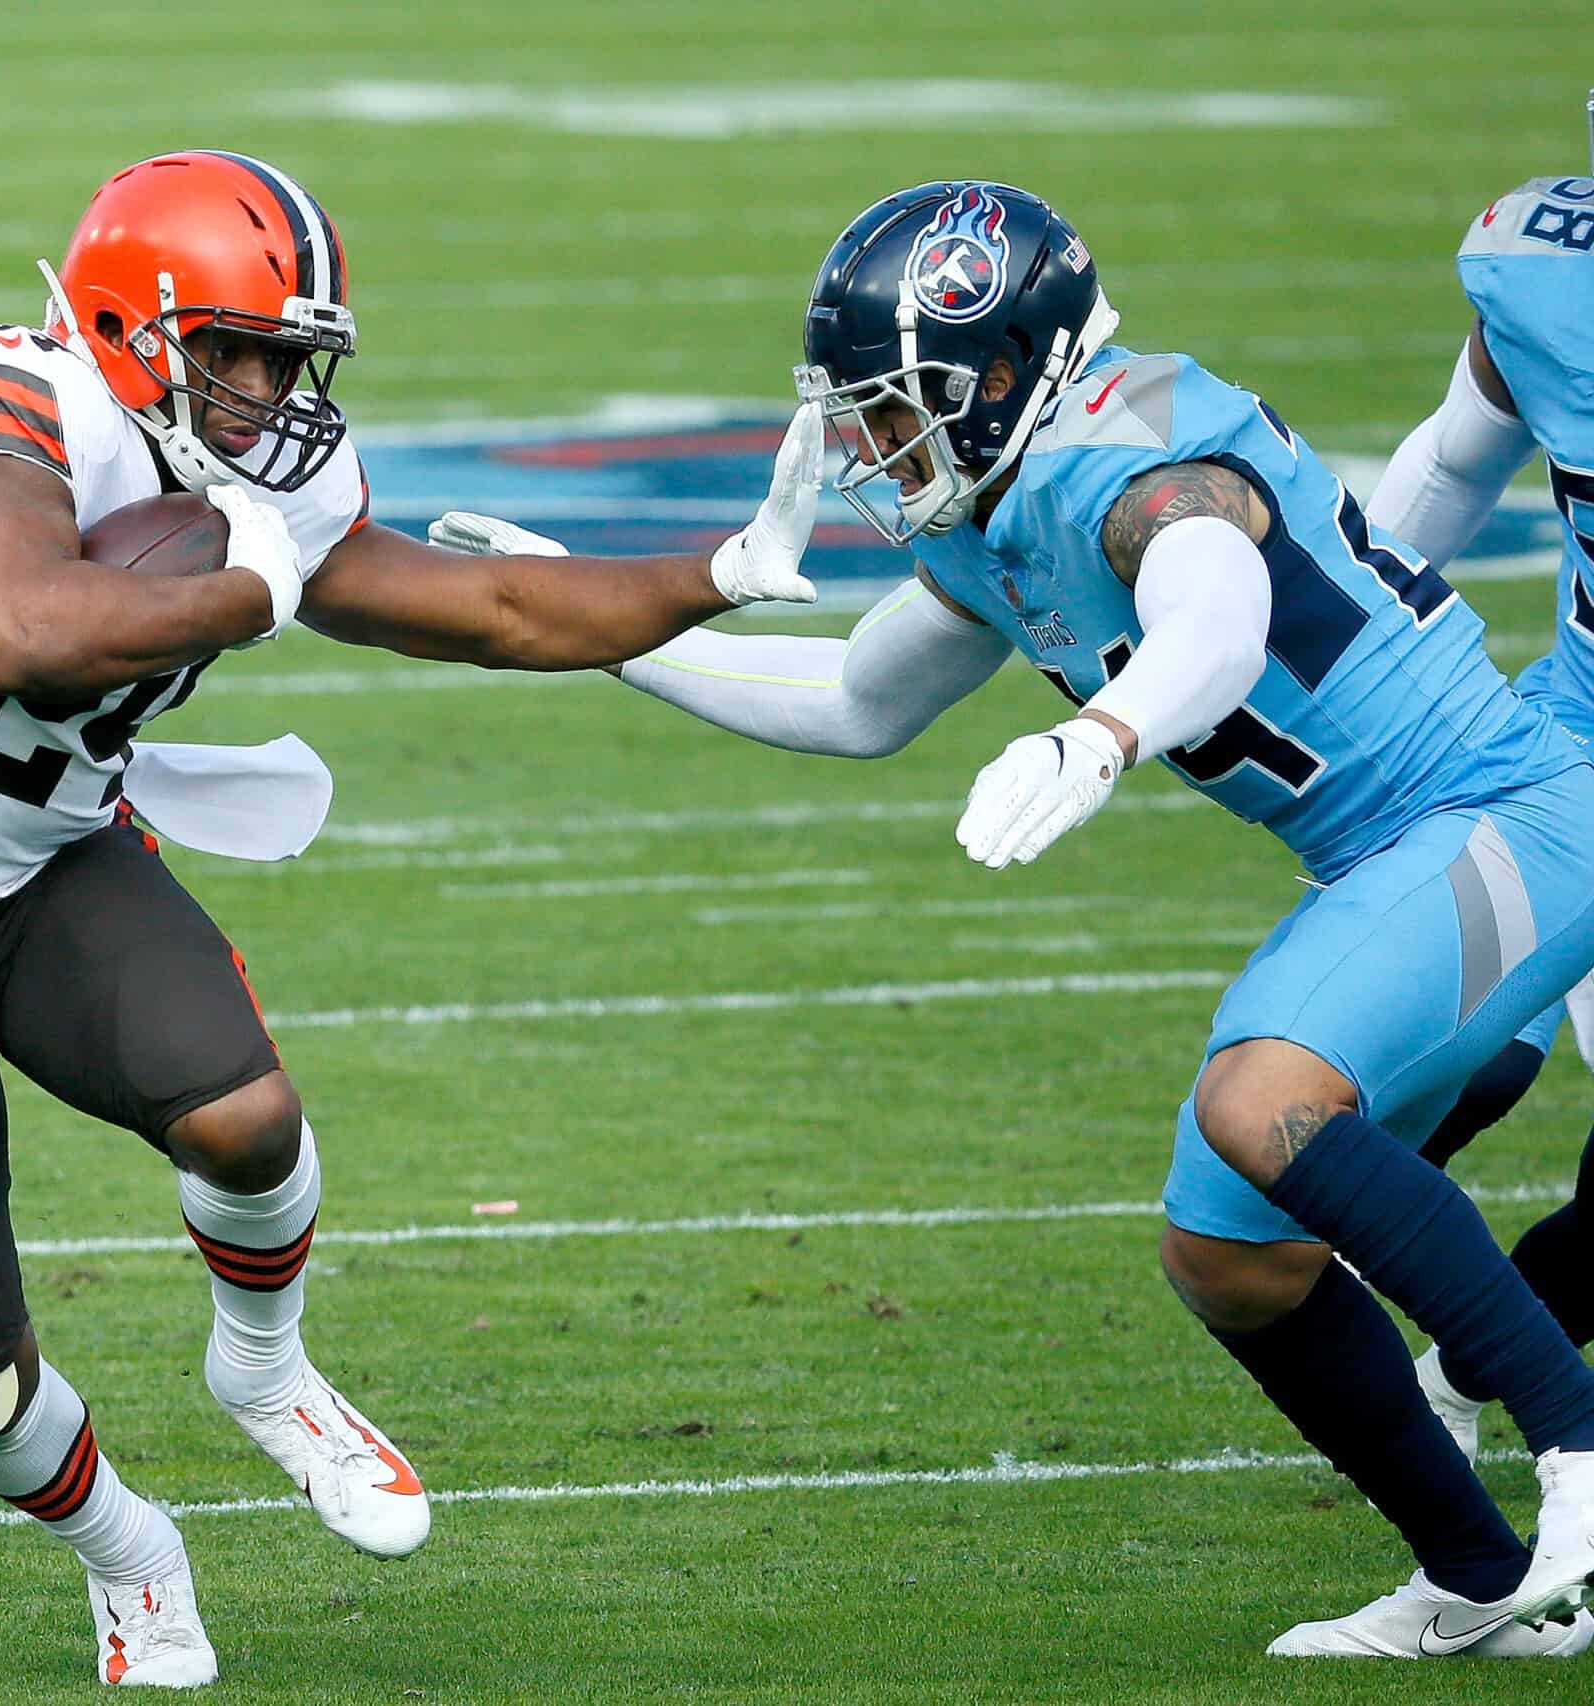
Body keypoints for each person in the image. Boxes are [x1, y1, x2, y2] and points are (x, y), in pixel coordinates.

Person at [445, 180, 1594, 1659]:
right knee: (1228, 1254)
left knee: (1261, 1099)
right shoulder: (994, 512)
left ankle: (1575, 1446)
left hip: (1512, 812)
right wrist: (609, 638)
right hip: (1389, 852)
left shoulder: (1125, 458)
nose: (870, 443)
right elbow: (860, 702)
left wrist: (1099, 736)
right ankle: (1482, 1585)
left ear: (1007, 375)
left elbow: (1216, 609)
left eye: (894, 404)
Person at [0, 149, 825, 1686]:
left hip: (47, 865)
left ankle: (263, 1368)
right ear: (126, 325)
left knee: (246, 1115)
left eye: (287, 356)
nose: (266, 390)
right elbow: (22, 631)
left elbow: (496, 614)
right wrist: (248, 595)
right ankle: (132, 1552)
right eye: (233, 349)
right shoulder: (10, 394)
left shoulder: (254, 471)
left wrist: (713, 569)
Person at [1365, 135, 1594, 1466]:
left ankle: (1463, 1366)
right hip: (1569, 751)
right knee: (1440, 1038)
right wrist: (1359, 641)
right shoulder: (1544, 284)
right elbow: (1453, 465)